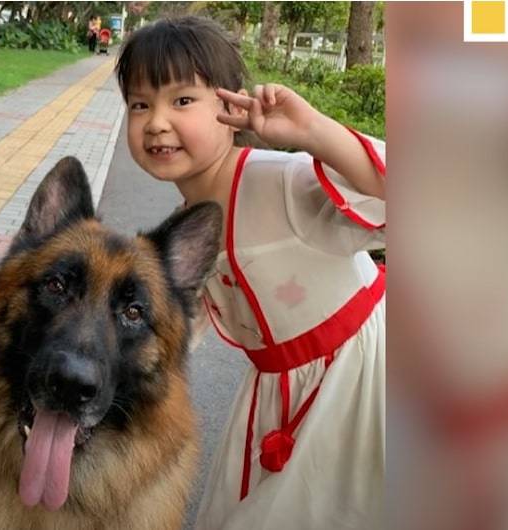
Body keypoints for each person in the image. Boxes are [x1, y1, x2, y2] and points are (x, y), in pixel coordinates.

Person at [116, 17, 386, 529]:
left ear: (229, 106)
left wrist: (314, 134)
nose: (156, 122)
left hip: (361, 386)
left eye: (182, 100)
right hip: (274, 395)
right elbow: (171, 329)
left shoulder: (279, 182)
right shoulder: (184, 233)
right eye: (139, 104)